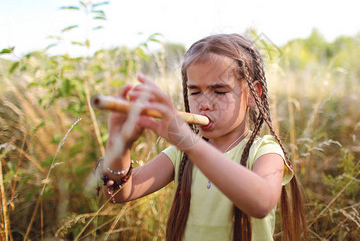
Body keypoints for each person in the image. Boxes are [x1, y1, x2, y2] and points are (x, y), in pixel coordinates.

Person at [98, 34, 307, 240]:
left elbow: (261, 203)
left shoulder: (266, 151)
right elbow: (118, 194)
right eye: (195, 92)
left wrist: (190, 143)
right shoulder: (182, 153)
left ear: (253, 94)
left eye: (219, 91)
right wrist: (119, 144)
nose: (204, 104)